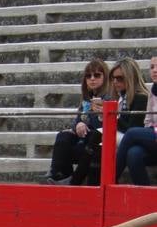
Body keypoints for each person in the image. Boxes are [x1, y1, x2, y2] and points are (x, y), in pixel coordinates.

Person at [74, 57, 149, 185]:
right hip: (123, 135)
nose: (115, 82)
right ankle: (84, 182)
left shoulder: (141, 97)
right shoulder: (120, 96)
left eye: (120, 78)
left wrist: (109, 116)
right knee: (97, 140)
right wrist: (103, 115)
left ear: (131, 78)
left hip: (135, 138)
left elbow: (131, 129)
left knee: (99, 137)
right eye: (113, 78)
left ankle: (80, 181)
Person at [44, 58, 110, 184]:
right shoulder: (87, 98)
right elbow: (77, 121)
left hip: (96, 142)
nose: (92, 79)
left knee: (90, 137)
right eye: (88, 76)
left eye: (97, 75)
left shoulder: (109, 98)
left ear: (105, 77)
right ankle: (58, 173)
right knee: (63, 136)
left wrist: (96, 115)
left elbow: (102, 128)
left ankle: (70, 180)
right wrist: (79, 124)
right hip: (83, 139)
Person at [117, 55, 157, 184]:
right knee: (133, 153)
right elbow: (148, 119)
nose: (154, 70)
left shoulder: (143, 95)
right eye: (152, 67)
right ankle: (145, 197)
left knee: (132, 133)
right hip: (154, 137)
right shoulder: (153, 90)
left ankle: (108, 181)